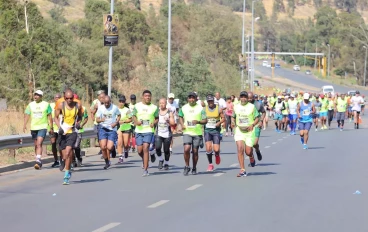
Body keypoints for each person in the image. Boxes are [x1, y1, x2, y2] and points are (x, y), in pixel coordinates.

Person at [55, 90, 84, 185]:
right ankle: (69, 165)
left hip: (72, 132)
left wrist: (78, 123)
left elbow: (80, 116)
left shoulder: (78, 105)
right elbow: (55, 117)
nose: (69, 100)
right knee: (64, 156)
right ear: (64, 97)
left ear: (73, 97)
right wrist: (59, 127)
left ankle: (66, 175)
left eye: (71, 98)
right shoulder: (60, 105)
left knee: (67, 153)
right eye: (67, 98)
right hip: (63, 132)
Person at [231, 91, 260, 177]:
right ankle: (242, 170)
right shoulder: (236, 106)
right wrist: (232, 122)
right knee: (240, 148)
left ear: (247, 98)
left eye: (245, 97)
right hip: (239, 131)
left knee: (248, 151)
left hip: (249, 132)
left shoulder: (252, 107)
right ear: (239, 98)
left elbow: (257, 118)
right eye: (242, 97)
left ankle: (251, 156)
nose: (243, 98)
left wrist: (253, 125)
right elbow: (233, 116)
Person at [23, 90, 53, 170]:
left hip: (43, 127)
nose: (36, 96)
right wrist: (24, 124)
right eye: (35, 95)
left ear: (41, 96)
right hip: (34, 127)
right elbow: (27, 114)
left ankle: (38, 160)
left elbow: (50, 116)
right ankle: (38, 160)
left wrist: (51, 127)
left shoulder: (46, 104)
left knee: (39, 143)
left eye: (38, 95)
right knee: (36, 145)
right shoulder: (31, 105)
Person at [179, 92, 207, 176]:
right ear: (188, 99)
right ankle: (187, 166)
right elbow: (180, 116)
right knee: (186, 149)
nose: (191, 99)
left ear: (195, 99)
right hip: (187, 132)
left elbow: (205, 120)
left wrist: (198, 121)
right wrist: (182, 124)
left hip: (197, 133)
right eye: (190, 98)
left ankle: (194, 167)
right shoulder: (183, 108)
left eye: (193, 98)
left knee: (195, 151)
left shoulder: (200, 108)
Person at [131, 90, 159, 176]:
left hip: (148, 131)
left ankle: (146, 169)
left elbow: (157, 118)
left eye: (149, 96)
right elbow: (134, 116)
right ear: (143, 97)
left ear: (151, 97)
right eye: (146, 96)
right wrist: (136, 122)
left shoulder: (154, 107)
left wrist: (153, 123)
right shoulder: (137, 106)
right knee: (139, 150)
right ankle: (145, 159)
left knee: (145, 148)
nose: (147, 97)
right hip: (139, 130)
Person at [203, 94, 225, 172]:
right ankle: (210, 164)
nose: (210, 102)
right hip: (207, 130)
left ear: (213, 101)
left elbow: (223, 118)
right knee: (208, 148)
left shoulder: (218, 109)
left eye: (211, 101)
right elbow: (202, 119)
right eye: (209, 101)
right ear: (207, 102)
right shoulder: (204, 109)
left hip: (216, 131)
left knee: (216, 149)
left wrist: (219, 123)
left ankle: (217, 154)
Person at [155, 98, 175, 170]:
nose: (161, 104)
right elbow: (154, 120)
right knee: (157, 148)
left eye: (163, 103)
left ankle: (166, 163)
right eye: (160, 103)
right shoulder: (157, 112)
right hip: (159, 133)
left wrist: (168, 120)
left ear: (166, 104)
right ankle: (161, 159)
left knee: (166, 150)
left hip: (167, 134)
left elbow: (173, 123)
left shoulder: (169, 112)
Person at [72, 94, 88, 167]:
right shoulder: (68, 108)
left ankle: (79, 158)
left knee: (76, 146)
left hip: (78, 130)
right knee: (70, 146)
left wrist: (81, 125)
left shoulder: (83, 108)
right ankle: (73, 161)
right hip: (70, 130)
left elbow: (86, 118)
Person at [249, 93, 265, 163]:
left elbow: (264, 112)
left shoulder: (258, 104)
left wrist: (261, 121)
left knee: (254, 144)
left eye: (251, 98)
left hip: (256, 125)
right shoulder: (244, 105)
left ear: (253, 98)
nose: (249, 99)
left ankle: (257, 151)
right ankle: (251, 158)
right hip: (248, 126)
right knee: (249, 144)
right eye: (248, 98)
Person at [117, 95, 132, 163]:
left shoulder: (127, 110)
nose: (121, 103)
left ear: (124, 102)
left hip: (126, 127)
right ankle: (120, 156)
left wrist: (123, 121)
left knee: (125, 143)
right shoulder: (116, 109)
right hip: (119, 128)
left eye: (122, 101)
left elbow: (130, 119)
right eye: (120, 101)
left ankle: (126, 150)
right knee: (119, 142)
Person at [49, 93, 62, 168]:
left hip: (61, 127)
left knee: (60, 144)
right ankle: (56, 160)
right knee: (53, 143)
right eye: (55, 97)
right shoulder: (50, 105)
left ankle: (62, 159)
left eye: (58, 97)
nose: (57, 99)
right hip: (52, 127)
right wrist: (50, 126)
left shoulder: (63, 105)